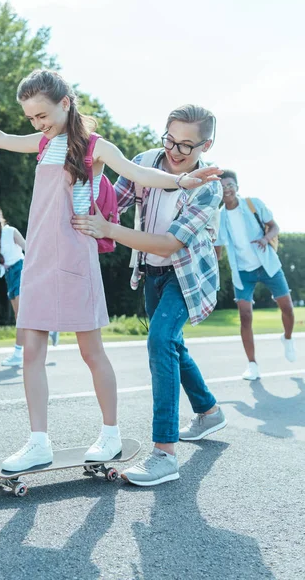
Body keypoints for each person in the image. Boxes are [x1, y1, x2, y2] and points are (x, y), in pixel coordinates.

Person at [0, 70, 220, 473]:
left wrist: (180, 179)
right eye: (31, 118)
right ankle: (38, 442)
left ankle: (109, 435)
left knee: (91, 352)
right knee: (31, 352)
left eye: (42, 114)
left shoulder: (94, 147)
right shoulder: (41, 144)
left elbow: (140, 174)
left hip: (75, 258)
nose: (37, 124)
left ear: (65, 103)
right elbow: (0, 138)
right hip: (37, 258)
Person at [72, 104, 226, 486]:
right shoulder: (144, 163)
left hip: (186, 277)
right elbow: (112, 202)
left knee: (160, 341)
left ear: (206, 144)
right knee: (171, 344)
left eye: (187, 146)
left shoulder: (209, 186)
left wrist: (107, 228)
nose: (175, 151)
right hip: (151, 273)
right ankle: (209, 412)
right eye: (170, 139)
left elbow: (168, 243)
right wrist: (91, 169)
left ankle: (164, 454)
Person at [214, 171, 295, 381]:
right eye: (222, 187)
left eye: (230, 184)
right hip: (242, 272)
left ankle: (287, 338)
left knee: (287, 307)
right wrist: (212, 269)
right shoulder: (220, 216)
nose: (227, 189)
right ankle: (252, 365)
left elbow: (275, 226)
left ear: (237, 186)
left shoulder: (253, 204)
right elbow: (218, 246)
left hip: (267, 264)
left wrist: (266, 239)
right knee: (245, 316)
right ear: (218, 192)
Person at [0, 203, 60, 367]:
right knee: (20, 316)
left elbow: (28, 248)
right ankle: (50, 328)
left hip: (21, 270)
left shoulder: (10, 232)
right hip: (9, 276)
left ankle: (17, 353)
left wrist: (43, 270)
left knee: (21, 316)